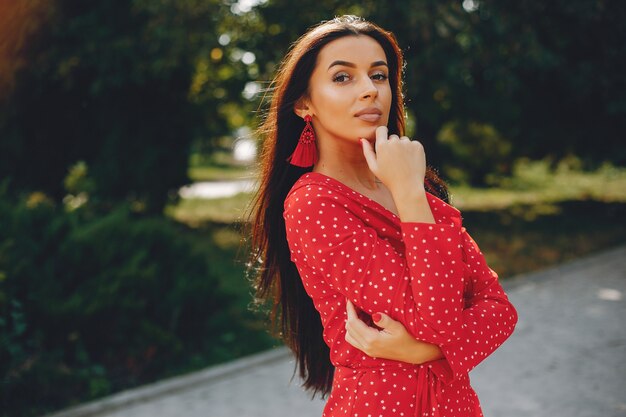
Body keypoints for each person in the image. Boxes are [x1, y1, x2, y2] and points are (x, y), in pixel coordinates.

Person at [249, 15, 518, 417]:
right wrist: (409, 194)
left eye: (379, 75)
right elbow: (440, 320)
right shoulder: (313, 205)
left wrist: (425, 352)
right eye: (343, 78)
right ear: (305, 103)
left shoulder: (410, 186)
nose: (369, 91)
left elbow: (500, 310)